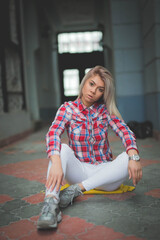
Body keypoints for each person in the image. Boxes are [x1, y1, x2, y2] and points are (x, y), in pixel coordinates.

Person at [37, 66, 142, 229]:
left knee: (127, 158)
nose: (93, 91)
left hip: (106, 175)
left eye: (100, 89)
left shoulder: (105, 110)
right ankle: (50, 206)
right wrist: (56, 162)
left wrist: (134, 155)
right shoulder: (68, 109)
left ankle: (76, 190)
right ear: (84, 82)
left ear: (103, 93)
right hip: (80, 171)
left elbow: (124, 131)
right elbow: (53, 134)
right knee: (62, 149)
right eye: (91, 84)